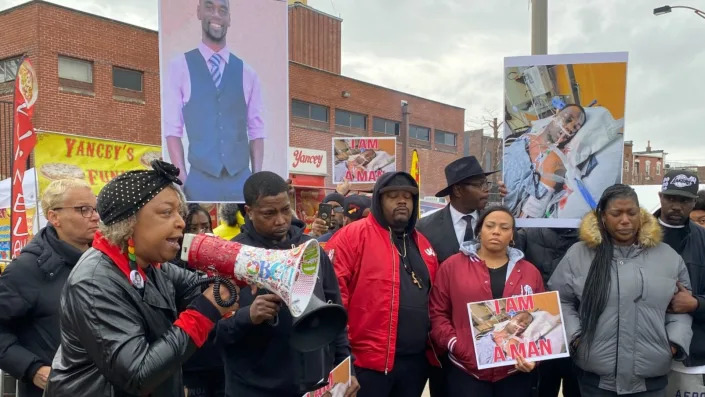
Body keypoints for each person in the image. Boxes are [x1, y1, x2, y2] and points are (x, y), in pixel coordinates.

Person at [45, 160, 238, 396]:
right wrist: (206, 310)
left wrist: (240, 269)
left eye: (179, 212)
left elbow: (195, 287)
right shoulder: (94, 283)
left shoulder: (149, 265)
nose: (180, 222)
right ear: (129, 222)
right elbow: (138, 374)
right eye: (166, 212)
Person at [216, 171, 358, 397]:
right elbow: (213, 334)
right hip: (253, 389)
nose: (281, 220)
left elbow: (334, 314)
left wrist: (346, 366)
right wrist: (247, 317)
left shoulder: (311, 250)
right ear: (248, 212)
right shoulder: (231, 257)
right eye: (269, 213)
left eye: (285, 209)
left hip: (314, 387)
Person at [549, 184, 693, 397]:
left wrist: (672, 344)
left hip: (650, 380)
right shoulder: (579, 255)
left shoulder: (668, 257)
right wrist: (576, 339)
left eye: (632, 213)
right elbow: (561, 300)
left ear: (640, 215)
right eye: (616, 214)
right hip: (596, 381)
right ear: (603, 217)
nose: (625, 220)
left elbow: (681, 307)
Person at [326, 171, 439, 397]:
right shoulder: (350, 237)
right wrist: (342, 362)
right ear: (378, 200)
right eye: (393, 196)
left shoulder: (423, 243)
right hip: (365, 365)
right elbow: (333, 300)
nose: (401, 201)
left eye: (407, 196)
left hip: (414, 365)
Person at [430, 206, 543, 397]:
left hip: (513, 372)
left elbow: (538, 320)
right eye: (490, 225)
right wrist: (456, 344)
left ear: (512, 235)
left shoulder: (530, 272)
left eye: (504, 227)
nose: (496, 231)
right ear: (479, 231)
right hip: (466, 370)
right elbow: (437, 312)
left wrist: (533, 356)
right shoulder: (452, 266)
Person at [0, 179, 98, 397]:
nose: (95, 216)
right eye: (84, 209)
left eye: (95, 208)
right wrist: (32, 368)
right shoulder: (26, 270)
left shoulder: (103, 262)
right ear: (54, 217)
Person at [164, 0, 264, 202]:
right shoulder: (179, 66)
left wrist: (256, 178)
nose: (217, 15)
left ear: (229, 19)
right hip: (200, 180)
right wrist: (183, 178)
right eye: (210, 7)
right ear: (199, 12)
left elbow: (257, 130)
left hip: (241, 179)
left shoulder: (248, 72)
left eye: (223, 10)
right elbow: (173, 130)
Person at [652, 172, 705, 396]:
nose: (676, 205)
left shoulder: (703, 240)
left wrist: (696, 304)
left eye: (684, 200)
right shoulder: (633, 236)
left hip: (691, 358)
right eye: (671, 198)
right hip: (642, 355)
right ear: (660, 196)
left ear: (693, 202)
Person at [514, 227, 581, 397]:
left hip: (576, 330)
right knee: (542, 386)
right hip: (540, 328)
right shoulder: (527, 233)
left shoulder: (594, 237)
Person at [177, 204, 226, 397]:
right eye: (193, 228)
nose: (201, 233)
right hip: (192, 366)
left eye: (205, 226)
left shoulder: (221, 262)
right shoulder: (172, 266)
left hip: (220, 360)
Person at [504, 104, 587, 218]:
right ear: (556, 114)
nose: (570, 128)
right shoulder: (520, 138)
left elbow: (530, 215)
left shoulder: (555, 161)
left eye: (575, 128)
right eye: (568, 119)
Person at [417, 156, 499, 265]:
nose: (487, 190)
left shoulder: (496, 223)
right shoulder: (425, 228)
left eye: (486, 184)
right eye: (480, 185)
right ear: (457, 190)